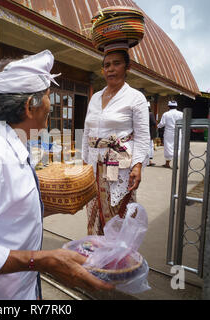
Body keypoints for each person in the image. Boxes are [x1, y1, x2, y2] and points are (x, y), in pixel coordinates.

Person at [0, 50, 113, 300]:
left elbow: (5, 212)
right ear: (31, 106)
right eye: (49, 97)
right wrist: (43, 260)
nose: (52, 106)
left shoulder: (14, 144)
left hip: (20, 289)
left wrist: (53, 203)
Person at [82, 43, 150, 236]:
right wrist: (85, 161)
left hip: (119, 166)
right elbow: (87, 131)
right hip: (95, 164)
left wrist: (137, 165)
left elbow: (143, 135)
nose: (110, 69)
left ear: (127, 67)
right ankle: (99, 253)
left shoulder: (135, 98)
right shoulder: (95, 97)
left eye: (116, 63)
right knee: (95, 211)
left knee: (118, 212)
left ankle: (118, 257)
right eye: (107, 65)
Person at [157, 100, 183, 168]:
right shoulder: (181, 114)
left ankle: (167, 163)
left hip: (168, 133)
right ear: (176, 106)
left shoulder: (166, 114)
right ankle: (175, 163)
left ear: (168, 106)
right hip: (178, 131)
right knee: (177, 146)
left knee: (168, 147)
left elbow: (162, 124)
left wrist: (157, 126)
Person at [148, 102, 157, 166]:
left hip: (141, 134)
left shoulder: (141, 114)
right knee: (150, 147)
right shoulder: (150, 114)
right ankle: (149, 161)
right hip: (149, 133)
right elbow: (154, 123)